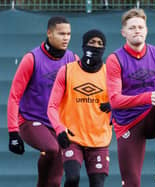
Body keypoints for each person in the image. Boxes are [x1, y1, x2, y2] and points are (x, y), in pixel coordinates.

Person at [106, 8, 155, 187]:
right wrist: (147, 97)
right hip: (128, 123)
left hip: (151, 119)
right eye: (132, 28)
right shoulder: (114, 59)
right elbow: (115, 101)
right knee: (131, 182)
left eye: (141, 27)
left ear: (147, 30)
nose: (137, 31)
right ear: (123, 32)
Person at [7, 16, 78, 187]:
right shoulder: (32, 59)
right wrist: (13, 133)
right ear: (49, 33)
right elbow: (14, 96)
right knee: (52, 148)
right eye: (61, 33)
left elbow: (78, 95)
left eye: (68, 33)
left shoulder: (73, 59)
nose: (66, 37)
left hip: (57, 125)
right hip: (30, 121)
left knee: (54, 182)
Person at [47, 29, 112, 187]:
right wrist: (59, 128)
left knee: (97, 184)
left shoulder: (110, 73)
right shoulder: (67, 70)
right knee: (72, 178)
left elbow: (127, 101)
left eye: (99, 44)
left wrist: (116, 105)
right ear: (84, 45)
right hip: (72, 136)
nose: (95, 46)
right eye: (92, 42)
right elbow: (52, 106)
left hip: (99, 140)